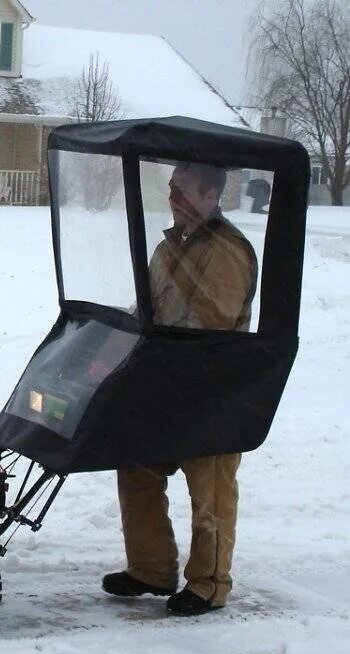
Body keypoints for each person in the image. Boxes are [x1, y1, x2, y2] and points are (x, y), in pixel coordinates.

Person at [102, 162, 258, 616]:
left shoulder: (226, 252)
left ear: (212, 197)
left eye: (184, 190)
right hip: (164, 386)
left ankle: (210, 583)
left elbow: (209, 326)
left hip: (212, 394)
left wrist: (155, 355)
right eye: (171, 188)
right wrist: (109, 346)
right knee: (136, 464)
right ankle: (151, 568)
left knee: (209, 489)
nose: (173, 198)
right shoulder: (169, 249)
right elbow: (145, 311)